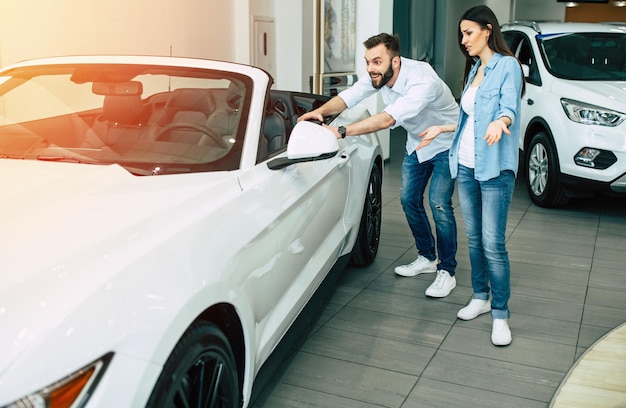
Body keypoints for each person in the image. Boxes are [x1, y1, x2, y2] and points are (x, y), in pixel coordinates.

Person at [298, 33, 460, 298]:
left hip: (445, 141)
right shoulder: (379, 77)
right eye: (367, 62)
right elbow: (351, 95)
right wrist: (322, 112)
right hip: (417, 144)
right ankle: (427, 257)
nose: (371, 67)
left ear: (395, 61)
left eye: (376, 61)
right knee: (409, 200)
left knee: (439, 203)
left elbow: (387, 120)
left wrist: (340, 130)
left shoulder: (423, 80)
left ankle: (447, 270)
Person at [417, 5, 524, 346]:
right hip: (464, 165)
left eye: (468, 33)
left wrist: (501, 122)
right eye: (461, 34)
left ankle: (501, 313)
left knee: (494, 243)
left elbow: (509, 107)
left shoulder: (507, 67)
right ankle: (480, 296)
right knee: (475, 239)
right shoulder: (474, 69)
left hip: (494, 169)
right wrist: (443, 127)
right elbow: (471, 118)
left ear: (488, 30)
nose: (463, 40)